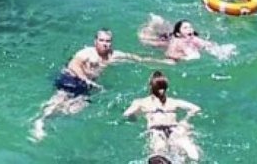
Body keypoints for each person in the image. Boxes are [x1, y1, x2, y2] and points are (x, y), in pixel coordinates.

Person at [31, 30, 166, 140]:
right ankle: (40, 122)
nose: (105, 44)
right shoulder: (87, 53)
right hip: (71, 79)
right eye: (102, 40)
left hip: (86, 86)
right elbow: (74, 65)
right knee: (58, 100)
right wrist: (88, 81)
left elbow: (137, 58)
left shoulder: (114, 55)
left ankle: (53, 119)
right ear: (95, 41)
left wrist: (162, 62)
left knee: (75, 109)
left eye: (108, 41)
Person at [124, 71, 203, 162]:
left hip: (156, 131)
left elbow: (127, 114)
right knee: (193, 155)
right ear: (166, 88)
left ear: (150, 86)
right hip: (176, 130)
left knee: (159, 153)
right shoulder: (173, 102)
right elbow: (196, 109)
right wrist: (185, 120)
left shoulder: (141, 102)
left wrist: (134, 118)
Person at [138, 15, 233, 62]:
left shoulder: (193, 38)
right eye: (185, 28)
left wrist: (219, 50)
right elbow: (169, 54)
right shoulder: (177, 42)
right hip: (167, 43)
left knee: (168, 31)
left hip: (174, 36)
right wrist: (185, 58)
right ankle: (152, 24)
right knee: (145, 40)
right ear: (179, 33)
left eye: (190, 27)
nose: (190, 29)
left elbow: (207, 44)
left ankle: (160, 23)